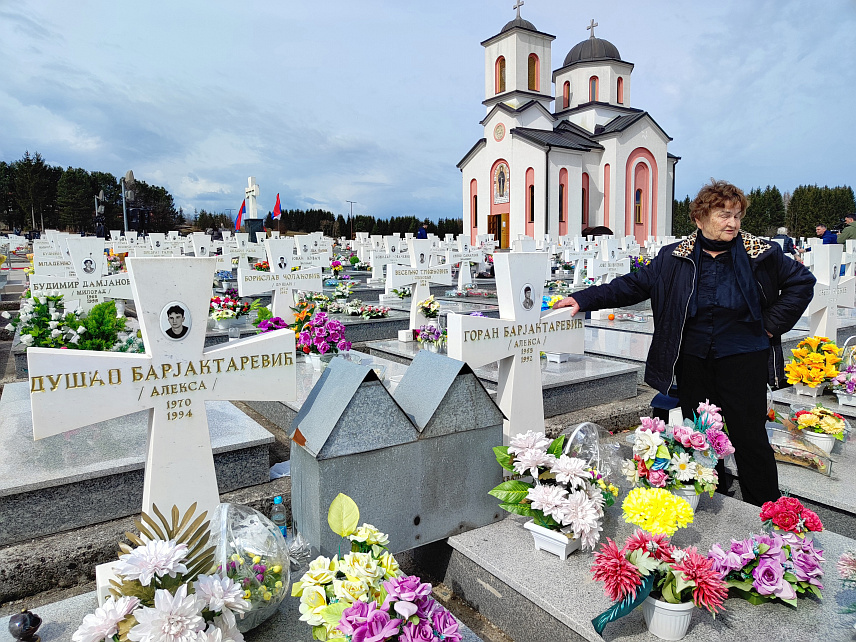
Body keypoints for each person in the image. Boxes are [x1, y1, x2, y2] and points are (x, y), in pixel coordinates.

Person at [554, 179, 815, 506]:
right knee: (699, 434)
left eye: (737, 216)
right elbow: (633, 285)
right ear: (699, 218)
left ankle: (766, 509)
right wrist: (582, 298)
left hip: (742, 359)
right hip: (693, 361)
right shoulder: (672, 257)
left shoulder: (761, 254)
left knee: (749, 438)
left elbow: (802, 283)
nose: (733, 223)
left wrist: (770, 326)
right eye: (724, 215)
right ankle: (712, 495)